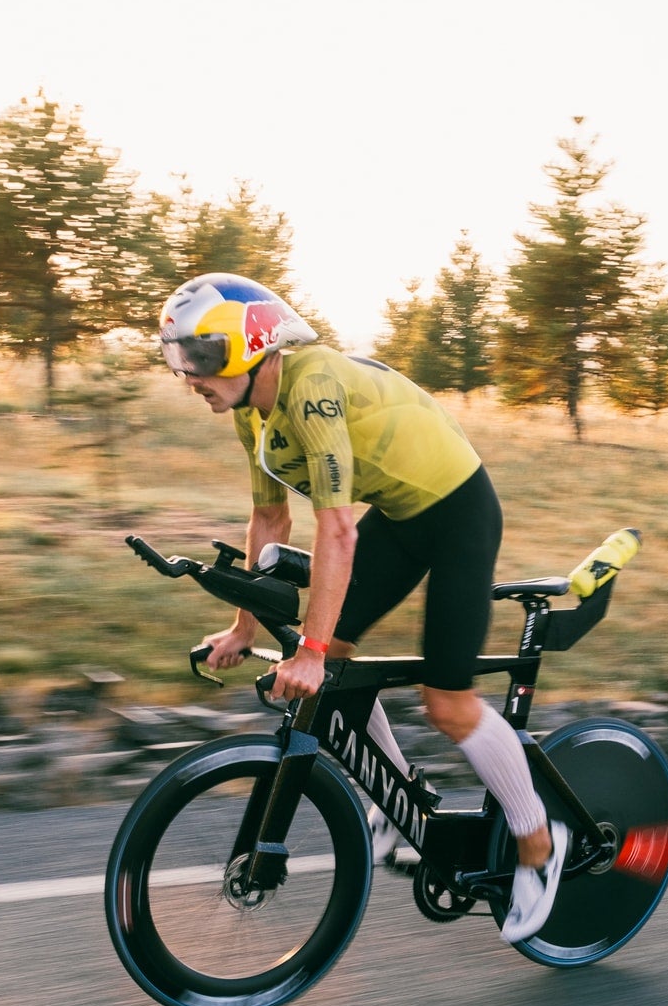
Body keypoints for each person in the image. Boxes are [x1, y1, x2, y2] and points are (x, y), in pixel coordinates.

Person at [158, 272, 567, 944]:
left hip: (459, 510)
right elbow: (268, 516)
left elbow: (337, 530)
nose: (187, 375)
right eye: (176, 359)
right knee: (336, 665)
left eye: (198, 358)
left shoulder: (311, 389)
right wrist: (242, 629)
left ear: (250, 345)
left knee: (446, 703)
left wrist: (310, 650)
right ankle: (401, 797)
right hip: (402, 517)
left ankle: (537, 844)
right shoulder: (250, 412)